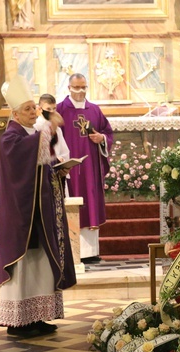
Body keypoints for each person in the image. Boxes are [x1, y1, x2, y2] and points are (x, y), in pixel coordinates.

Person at [0, 75, 76, 338]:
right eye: (28, 108)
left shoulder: (29, 134)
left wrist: (59, 171)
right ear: (15, 113)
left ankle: (38, 316)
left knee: (41, 264)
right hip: (22, 215)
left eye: (34, 107)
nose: (34, 112)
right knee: (25, 266)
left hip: (38, 212)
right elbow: (21, 164)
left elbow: (41, 167)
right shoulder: (11, 137)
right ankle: (18, 322)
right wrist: (48, 131)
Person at [57, 73, 113, 265]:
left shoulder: (94, 110)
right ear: (69, 88)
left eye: (83, 87)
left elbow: (107, 132)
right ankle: (72, 252)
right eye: (76, 87)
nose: (80, 91)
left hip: (90, 169)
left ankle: (90, 253)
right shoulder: (60, 111)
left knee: (90, 203)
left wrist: (102, 139)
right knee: (72, 202)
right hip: (69, 168)